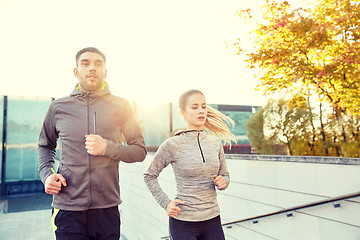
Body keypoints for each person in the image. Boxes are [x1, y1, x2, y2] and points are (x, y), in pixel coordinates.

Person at [38, 47, 147, 240]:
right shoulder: (58, 107)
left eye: (98, 64)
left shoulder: (121, 106)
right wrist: (47, 175)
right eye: (85, 63)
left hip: (107, 209)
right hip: (68, 209)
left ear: (105, 72)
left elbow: (139, 151)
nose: (92, 68)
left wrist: (107, 147)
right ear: (76, 71)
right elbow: (45, 146)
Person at [144, 89, 236, 240]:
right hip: (183, 223)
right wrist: (166, 203)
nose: (201, 111)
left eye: (204, 106)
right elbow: (149, 176)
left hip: (212, 220)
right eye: (195, 107)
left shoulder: (215, 142)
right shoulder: (172, 144)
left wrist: (223, 182)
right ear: (183, 113)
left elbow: (225, 175)